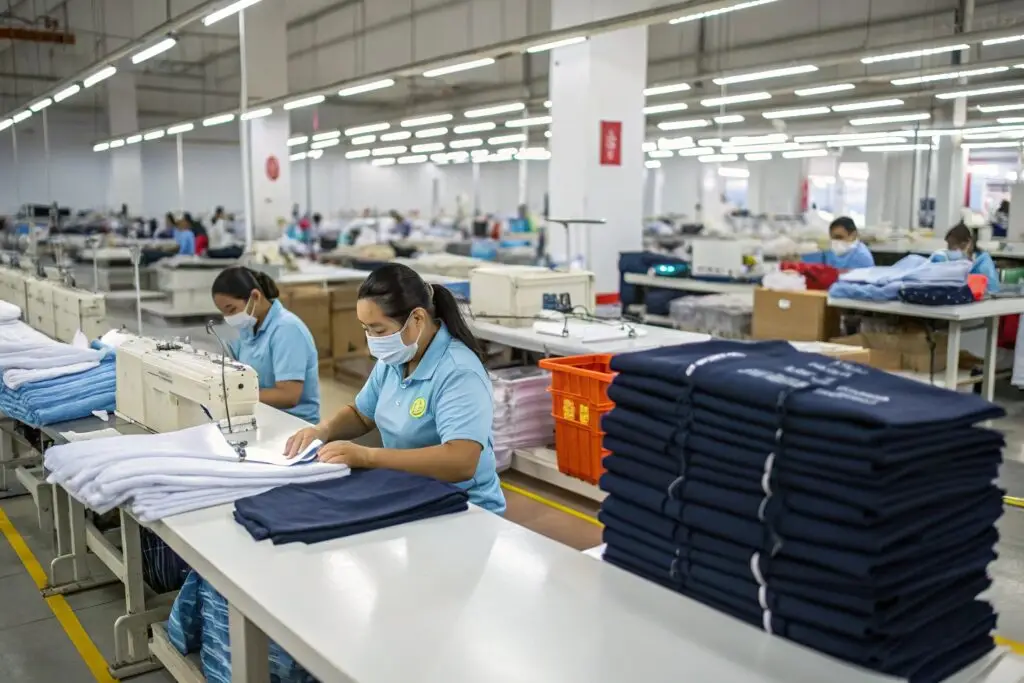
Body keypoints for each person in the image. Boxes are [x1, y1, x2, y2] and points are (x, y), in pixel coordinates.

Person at [284, 263, 505, 514]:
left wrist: (368, 457)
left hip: (464, 506)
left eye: (378, 330)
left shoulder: (458, 372)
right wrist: (323, 431)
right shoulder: (396, 358)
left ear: (417, 319)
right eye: (366, 329)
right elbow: (361, 413)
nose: (372, 340)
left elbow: (461, 461)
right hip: (411, 492)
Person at [211, 266, 321, 422]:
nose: (229, 318)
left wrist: (237, 396)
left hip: (294, 423)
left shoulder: (287, 329)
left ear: (255, 296)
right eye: (224, 312)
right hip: (263, 415)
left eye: (232, 309)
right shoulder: (249, 329)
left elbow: (288, 396)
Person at [931, 223, 1000, 293]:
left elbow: (992, 289)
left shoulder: (983, 262)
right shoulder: (949, 260)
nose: (950, 250)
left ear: (968, 243)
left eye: (954, 246)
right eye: (949, 246)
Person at [805, 216, 875, 269]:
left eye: (839, 237)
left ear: (853, 235)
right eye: (832, 238)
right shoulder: (830, 252)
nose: (835, 242)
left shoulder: (862, 257)